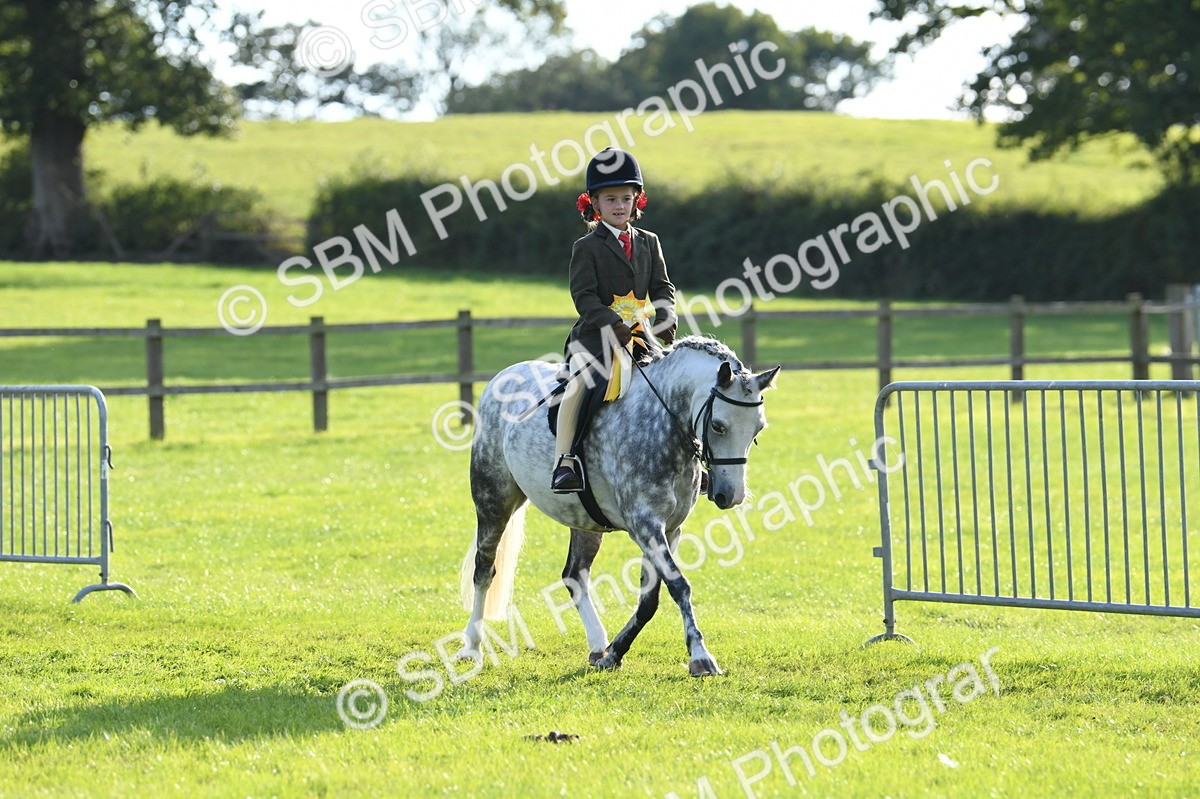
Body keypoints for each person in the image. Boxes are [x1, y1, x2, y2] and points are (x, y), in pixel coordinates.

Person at [551, 147, 677, 493]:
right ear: (594, 203)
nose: (619, 206)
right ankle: (565, 460)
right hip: (595, 338)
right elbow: (584, 297)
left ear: (637, 200)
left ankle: (689, 463)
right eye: (610, 200)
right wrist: (611, 323)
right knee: (579, 386)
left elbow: (662, 286)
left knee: (677, 384)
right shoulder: (587, 247)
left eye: (625, 198)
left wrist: (667, 315)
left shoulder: (650, 243)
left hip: (640, 337)